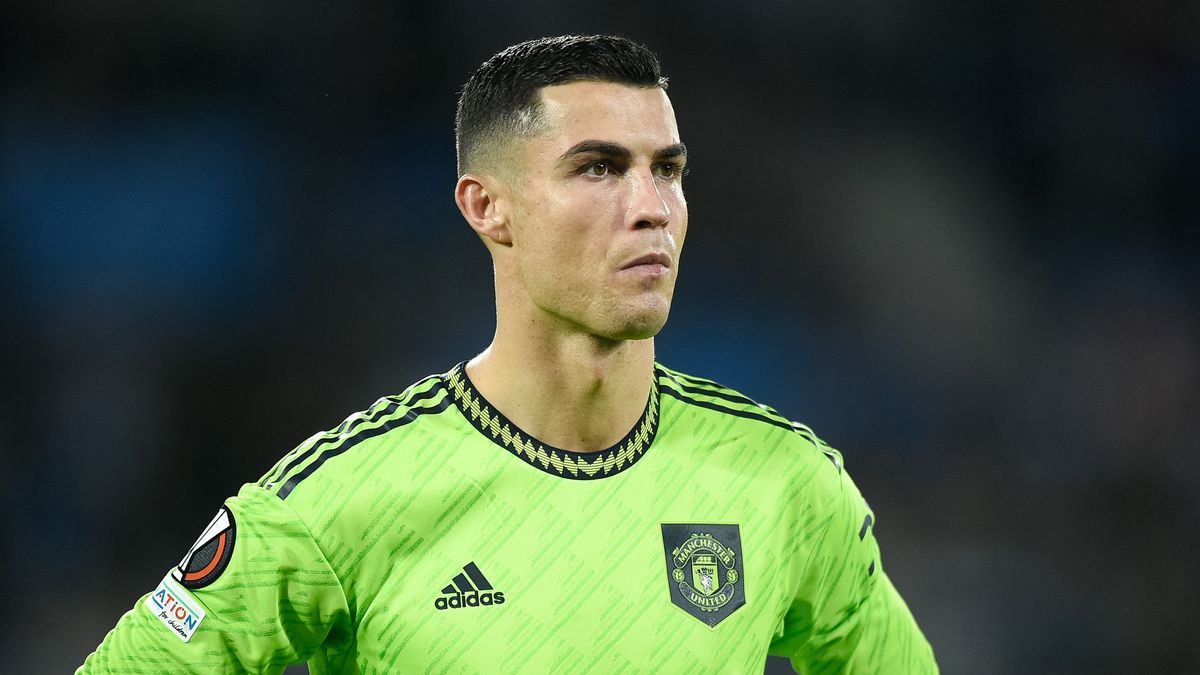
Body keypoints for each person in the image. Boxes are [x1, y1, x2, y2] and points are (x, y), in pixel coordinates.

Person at [78, 34, 937, 673]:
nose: (653, 208)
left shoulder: (785, 481)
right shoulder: (340, 499)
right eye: (599, 169)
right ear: (489, 207)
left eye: (667, 170)